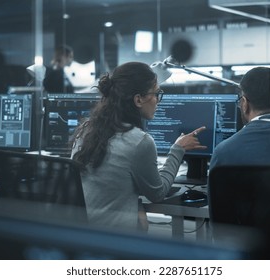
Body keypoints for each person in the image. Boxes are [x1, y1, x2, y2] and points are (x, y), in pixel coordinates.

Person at [71, 61, 206, 231]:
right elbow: (157, 194)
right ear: (138, 99)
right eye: (156, 94)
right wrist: (178, 149)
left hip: (85, 237)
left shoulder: (86, 129)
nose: (158, 100)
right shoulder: (139, 141)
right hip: (117, 241)